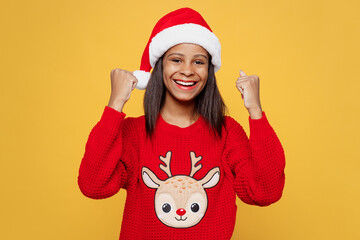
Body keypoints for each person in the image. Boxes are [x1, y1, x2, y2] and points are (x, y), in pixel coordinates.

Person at [78, 7, 285, 240]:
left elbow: (266, 192)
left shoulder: (226, 132)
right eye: (176, 60)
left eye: (199, 62)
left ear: (209, 71)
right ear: (160, 67)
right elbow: (93, 185)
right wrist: (115, 103)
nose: (187, 71)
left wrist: (255, 111)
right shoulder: (134, 133)